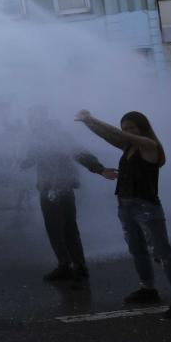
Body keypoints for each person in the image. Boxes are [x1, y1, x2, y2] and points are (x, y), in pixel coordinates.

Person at [76, 109, 171, 318]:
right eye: (125, 128)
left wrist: (91, 118)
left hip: (146, 208)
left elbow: (118, 135)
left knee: (162, 254)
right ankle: (147, 288)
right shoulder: (129, 147)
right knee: (137, 250)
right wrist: (88, 124)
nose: (128, 132)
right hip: (125, 205)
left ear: (142, 128)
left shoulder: (150, 146)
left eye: (132, 128)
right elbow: (108, 135)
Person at [21, 107, 110, 283]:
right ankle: (65, 265)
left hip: (60, 187)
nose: (31, 121)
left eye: (34, 118)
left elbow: (79, 153)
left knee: (67, 229)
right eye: (30, 118)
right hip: (49, 187)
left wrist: (98, 168)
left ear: (43, 118)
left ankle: (79, 269)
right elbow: (31, 160)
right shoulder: (38, 137)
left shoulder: (56, 135)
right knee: (55, 229)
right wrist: (23, 162)